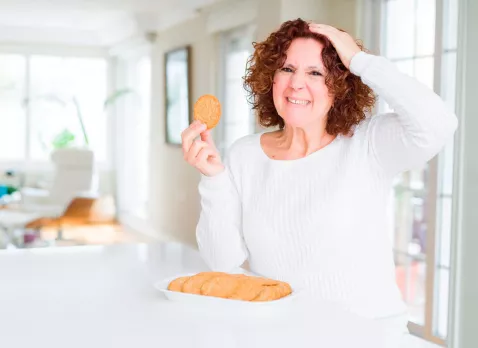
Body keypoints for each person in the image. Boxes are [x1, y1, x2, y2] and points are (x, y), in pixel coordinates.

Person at [180, 19, 458, 320]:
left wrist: (361, 61)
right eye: (287, 69)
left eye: (315, 73)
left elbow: (438, 124)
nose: (296, 83)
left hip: (367, 335)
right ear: (270, 78)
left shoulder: (368, 144)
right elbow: (222, 263)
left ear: (339, 86)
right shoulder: (243, 155)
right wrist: (214, 180)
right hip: (277, 333)